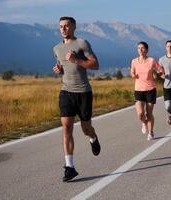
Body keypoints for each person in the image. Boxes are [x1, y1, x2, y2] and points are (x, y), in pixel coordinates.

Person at [53, 16, 101, 182]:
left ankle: (93, 138)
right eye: (61, 26)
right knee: (66, 127)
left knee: (86, 128)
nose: (63, 29)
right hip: (66, 92)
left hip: (83, 92)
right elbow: (63, 68)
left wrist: (77, 60)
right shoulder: (57, 48)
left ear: (73, 27)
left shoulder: (82, 43)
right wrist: (59, 69)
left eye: (66, 26)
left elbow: (95, 64)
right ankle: (69, 167)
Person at [131, 41, 165, 140]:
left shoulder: (151, 60)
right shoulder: (134, 61)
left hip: (150, 89)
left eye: (142, 48)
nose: (140, 50)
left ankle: (150, 132)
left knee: (149, 113)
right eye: (138, 48)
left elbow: (160, 70)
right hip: (138, 90)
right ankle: (144, 123)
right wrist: (134, 75)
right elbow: (132, 73)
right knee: (140, 114)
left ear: (146, 50)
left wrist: (158, 73)